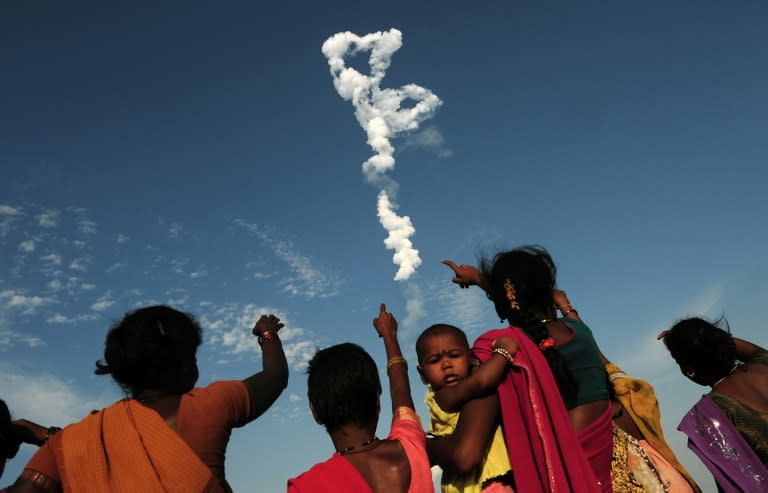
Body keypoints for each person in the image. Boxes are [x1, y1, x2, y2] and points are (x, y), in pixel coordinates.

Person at [9, 305, 288, 493]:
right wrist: (267, 332)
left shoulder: (67, 445)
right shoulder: (212, 404)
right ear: (186, 363)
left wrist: (50, 440)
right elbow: (275, 376)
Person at [442, 246, 613, 492]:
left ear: (502, 306)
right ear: (550, 292)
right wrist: (482, 279)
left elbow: (465, 452)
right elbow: (524, 311)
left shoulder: (500, 348)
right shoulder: (581, 333)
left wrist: (423, 442)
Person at [287, 304, 432, 492]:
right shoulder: (410, 443)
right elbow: (400, 391)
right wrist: (389, 335)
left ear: (315, 412)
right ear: (377, 401)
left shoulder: (307, 487)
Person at [660, 317, 768, 493]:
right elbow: (744, 348)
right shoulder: (763, 362)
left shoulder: (710, 413)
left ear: (689, 370)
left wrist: (685, 342)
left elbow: (735, 481)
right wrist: (695, 337)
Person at [415, 323, 514, 492]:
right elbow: (481, 382)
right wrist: (502, 353)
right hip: (485, 485)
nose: (446, 364)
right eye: (434, 360)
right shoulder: (444, 396)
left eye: (454, 355)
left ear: (468, 358)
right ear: (423, 375)